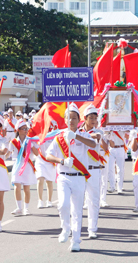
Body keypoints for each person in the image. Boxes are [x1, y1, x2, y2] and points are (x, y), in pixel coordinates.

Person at [45, 103, 96, 252]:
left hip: (79, 177)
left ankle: (76, 241)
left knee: (77, 211)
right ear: (65, 119)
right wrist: (62, 161)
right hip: (63, 176)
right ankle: (65, 228)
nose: (71, 121)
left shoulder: (83, 135)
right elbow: (48, 155)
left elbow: (93, 144)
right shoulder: (59, 137)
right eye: (69, 118)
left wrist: (77, 136)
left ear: (78, 120)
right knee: (63, 204)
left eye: (74, 118)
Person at [80, 104, 106, 239]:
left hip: (94, 170)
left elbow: (106, 148)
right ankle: (77, 227)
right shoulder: (79, 132)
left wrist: (101, 139)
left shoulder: (99, 132)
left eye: (95, 118)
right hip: (80, 170)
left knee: (93, 200)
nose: (93, 121)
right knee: (78, 200)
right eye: (91, 118)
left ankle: (92, 229)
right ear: (85, 118)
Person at [8, 120, 38, 216]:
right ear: (18, 130)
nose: (26, 130)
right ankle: (19, 207)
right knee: (17, 186)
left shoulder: (30, 140)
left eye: (26, 129)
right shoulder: (13, 142)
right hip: (17, 165)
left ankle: (26, 208)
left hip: (27, 165)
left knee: (26, 188)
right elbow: (7, 154)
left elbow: (37, 154)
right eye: (24, 129)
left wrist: (32, 146)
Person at [35, 120, 58, 209]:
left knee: (49, 182)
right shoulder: (40, 136)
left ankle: (49, 200)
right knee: (40, 180)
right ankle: (40, 200)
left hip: (50, 162)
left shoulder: (54, 136)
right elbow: (36, 149)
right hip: (41, 160)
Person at [106, 129, 128, 194]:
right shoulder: (109, 125)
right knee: (110, 168)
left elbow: (128, 132)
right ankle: (112, 186)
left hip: (120, 148)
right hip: (111, 149)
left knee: (120, 169)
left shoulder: (121, 125)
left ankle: (119, 188)